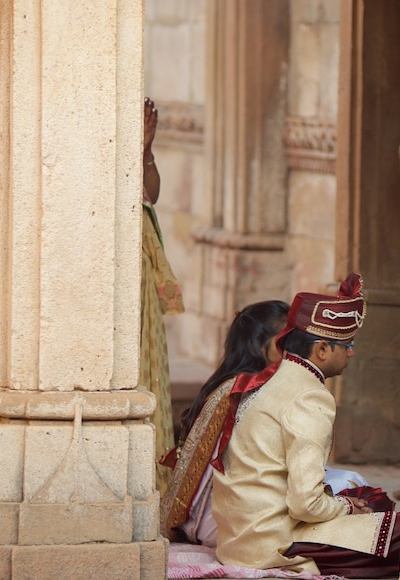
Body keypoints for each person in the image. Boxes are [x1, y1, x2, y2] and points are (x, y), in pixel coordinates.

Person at [210, 273, 400, 578]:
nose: (352, 352)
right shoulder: (310, 396)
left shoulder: (271, 379)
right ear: (322, 350)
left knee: (373, 500)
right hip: (275, 545)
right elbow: (306, 506)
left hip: (239, 540)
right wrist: (349, 508)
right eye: (347, 344)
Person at [160, 299, 290, 545]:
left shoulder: (227, 383)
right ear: (268, 347)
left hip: (198, 521)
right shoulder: (252, 391)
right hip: (225, 524)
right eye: (288, 341)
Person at [138, 96, 183, 494]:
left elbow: (148, 194)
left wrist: (146, 151)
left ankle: (154, 485)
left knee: (147, 370)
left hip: (138, 272)